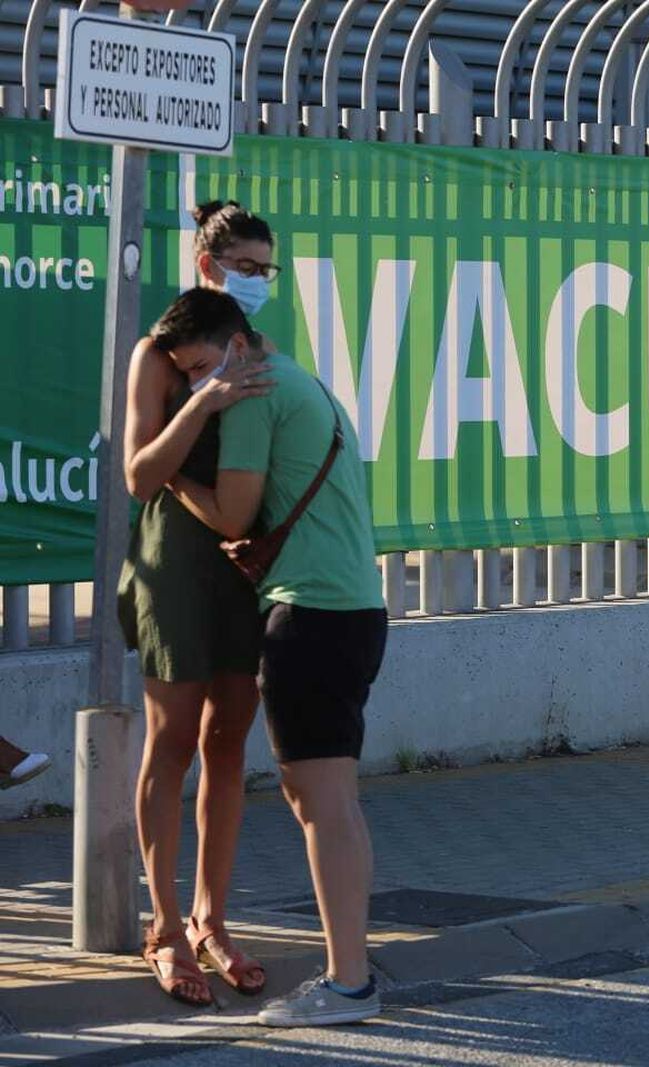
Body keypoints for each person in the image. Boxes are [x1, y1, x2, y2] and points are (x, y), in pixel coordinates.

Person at [157, 288, 388, 1028]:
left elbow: (230, 512)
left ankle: (348, 983)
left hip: (308, 615)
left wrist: (167, 474)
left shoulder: (253, 394)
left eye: (200, 367)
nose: (200, 384)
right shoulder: (300, 380)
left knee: (320, 805)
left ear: (236, 346)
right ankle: (352, 972)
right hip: (353, 608)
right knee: (334, 802)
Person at [118, 202, 277, 1007]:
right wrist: (201, 401)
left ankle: (214, 919)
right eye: (246, 267)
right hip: (174, 564)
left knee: (227, 742)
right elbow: (140, 475)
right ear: (208, 264)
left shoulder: (258, 347)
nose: (260, 282)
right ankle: (165, 925)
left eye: (268, 269)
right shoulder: (160, 351)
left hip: (240, 564)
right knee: (172, 740)